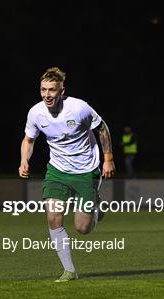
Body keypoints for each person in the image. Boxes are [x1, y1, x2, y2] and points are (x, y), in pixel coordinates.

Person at [19, 67, 115, 282]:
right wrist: (24, 160)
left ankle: (96, 210)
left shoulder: (79, 108)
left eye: (52, 90)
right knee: (53, 217)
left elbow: (102, 129)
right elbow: (29, 140)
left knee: (82, 228)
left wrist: (108, 159)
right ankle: (69, 270)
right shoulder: (36, 112)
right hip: (57, 171)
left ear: (62, 90)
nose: (47, 95)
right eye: (43, 90)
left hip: (86, 171)